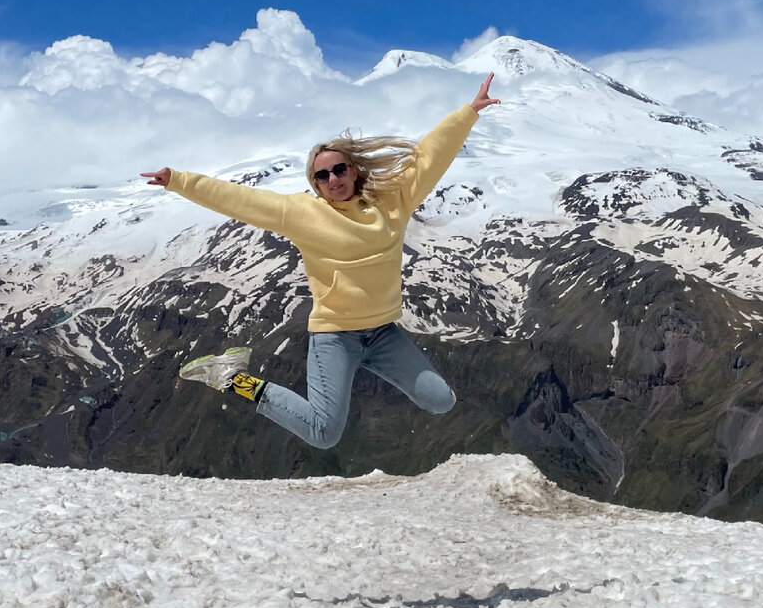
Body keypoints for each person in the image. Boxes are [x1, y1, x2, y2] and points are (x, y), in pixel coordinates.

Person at [140, 73, 500, 449]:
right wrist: (178, 180)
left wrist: (468, 113)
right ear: (316, 184)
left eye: (339, 169)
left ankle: (360, 365)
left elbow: (428, 159)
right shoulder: (301, 213)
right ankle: (233, 377)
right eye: (322, 175)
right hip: (334, 337)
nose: (333, 178)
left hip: (383, 334)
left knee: (441, 401)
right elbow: (239, 199)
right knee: (323, 433)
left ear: (354, 170)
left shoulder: (391, 200)